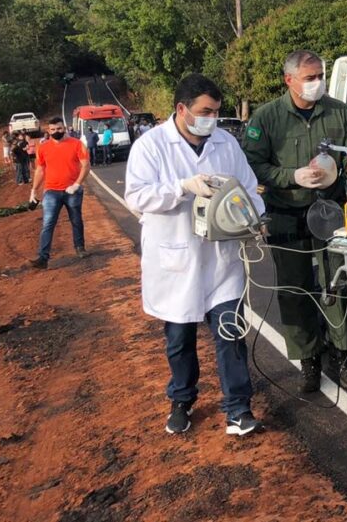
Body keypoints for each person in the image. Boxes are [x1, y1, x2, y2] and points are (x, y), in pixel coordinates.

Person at [124, 73, 266, 437]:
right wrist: (182, 188)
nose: (212, 120)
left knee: (230, 333)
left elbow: (250, 189)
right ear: (181, 109)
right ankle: (182, 400)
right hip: (177, 259)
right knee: (179, 339)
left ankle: (238, 408)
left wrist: (253, 217)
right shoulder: (152, 146)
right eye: (205, 112)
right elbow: (137, 196)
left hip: (221, 261)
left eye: (216, 112)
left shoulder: (225, 144)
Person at [242, 50, 347, 393]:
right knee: (294, 290)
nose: (318, 83)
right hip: (287, 213)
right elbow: (252, 165)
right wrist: (290, 176)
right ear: (290, 80)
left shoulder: (338, 111)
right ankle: (308, 360)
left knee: (336, 284)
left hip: (331, 211)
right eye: (310, 78)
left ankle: (341, 354)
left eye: (320, 76)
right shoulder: (267, 117)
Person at [29, 118, 90, 268]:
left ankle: (80, 247)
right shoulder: (43, 148)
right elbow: (40, 170)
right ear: (48, 131)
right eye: (53, 129)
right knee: (48, 223)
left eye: (59, 129)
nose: (56, 132)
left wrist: (76, 184)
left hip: (72, 191)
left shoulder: (77, 144)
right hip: (51, 191)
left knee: (76, 219)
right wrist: (33, 190)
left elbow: (86, 165)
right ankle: (43, 258)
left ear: (64, 128)